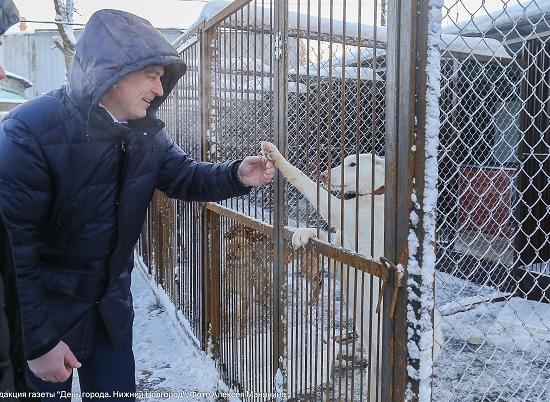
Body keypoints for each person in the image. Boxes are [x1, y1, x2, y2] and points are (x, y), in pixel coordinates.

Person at [0, 9, 275, 401]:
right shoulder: (30, 131)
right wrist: (37, 342)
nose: (160, 90)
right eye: (151, 76)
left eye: (163, 79)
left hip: (109, 311)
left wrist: (236, 175)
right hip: (46, 313)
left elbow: (184, 176)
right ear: (112, 71)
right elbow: (12, 251)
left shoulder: (146, 135)